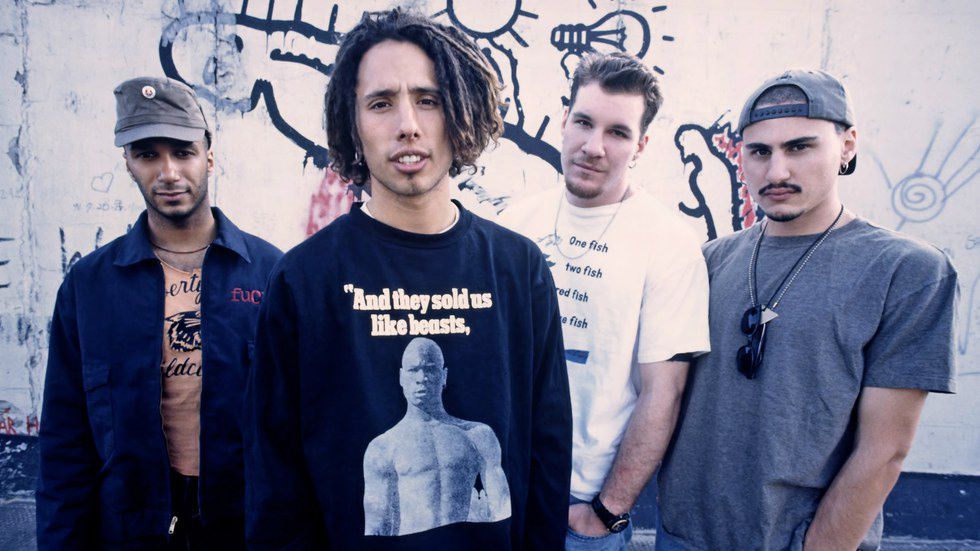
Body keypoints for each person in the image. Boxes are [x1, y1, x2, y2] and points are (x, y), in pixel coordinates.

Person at [243, 9, 571, 549]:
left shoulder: (519, 269)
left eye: (428, 99)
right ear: (352, 123)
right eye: (381, 103)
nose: (408, 125)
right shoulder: (304, 280)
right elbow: (275, 479)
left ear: (461, 111)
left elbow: (548, 453)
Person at [657, 69, 958, 550]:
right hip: (681, 537)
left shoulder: (906, 270)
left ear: (847, 145)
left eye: (799, 147)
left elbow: (884, 449)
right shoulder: (710, 260)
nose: (776, 172)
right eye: (759, 152)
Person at [35, 76, 282, 549]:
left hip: (244, 525)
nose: (168, 172)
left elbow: (300, 427)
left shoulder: (271, 275)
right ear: (128, 164)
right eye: (148, 155)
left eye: (183, 152)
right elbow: (65, 441)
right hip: (130, 526)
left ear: (209, 157)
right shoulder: (89, 286)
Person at [500, 52, 710, 550]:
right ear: (563, 120)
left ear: (641, 145)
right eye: (584, 122)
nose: (593, 146)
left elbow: (664, 392)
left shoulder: (669, 244)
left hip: (579, 510)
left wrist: (605, 510)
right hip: (498, 489)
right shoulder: (513, 224)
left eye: (617, 132)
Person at [363, 337, 510, 536]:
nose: (421, 378)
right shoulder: (383, 447)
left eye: (430, 369)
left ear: (444, 376)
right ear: (401, 377)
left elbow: (501, 509)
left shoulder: (478, 436)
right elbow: (377, 526)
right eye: (413, 370)